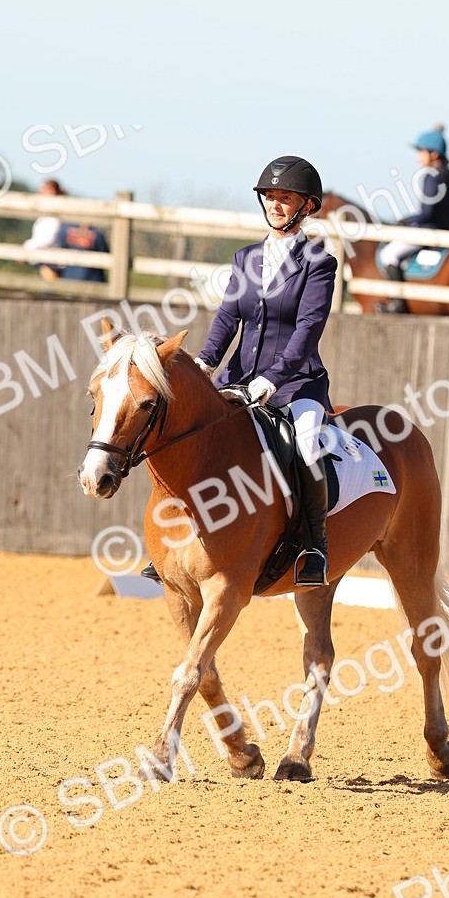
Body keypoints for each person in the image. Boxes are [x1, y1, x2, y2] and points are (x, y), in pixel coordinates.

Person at [142, 155, 337, 587]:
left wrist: (273, 379)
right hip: (239, 379)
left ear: (306, 206)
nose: (275, 204)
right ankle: (174, 543)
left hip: (296, 384)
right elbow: (229, 317)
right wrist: (206, 363)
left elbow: (307, 330)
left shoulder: (319, 264)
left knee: (306, 446)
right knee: (195, 440)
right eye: (270, 196)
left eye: (286, 198)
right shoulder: (246, 258)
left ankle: (314, 547)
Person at [379, 125, 449, 312]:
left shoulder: (431, 176)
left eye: (421, 152)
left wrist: (406, 221)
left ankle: (397, 303)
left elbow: (427, 213)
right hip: (448, 230)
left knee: (388, 254)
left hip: (429, 230)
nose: (418, 156)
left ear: (434, 154)